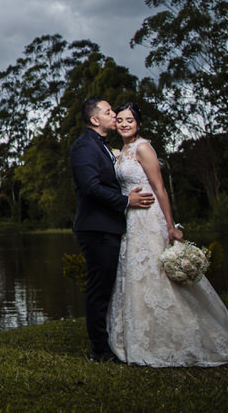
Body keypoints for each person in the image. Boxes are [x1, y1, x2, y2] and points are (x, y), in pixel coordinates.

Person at [107, 102, 228, 366]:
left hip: (150, 217)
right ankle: (140, 335)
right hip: (132, 220)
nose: (125, 124)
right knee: (138, 275)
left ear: (138, 123)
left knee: (160, 273)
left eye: (130, 120)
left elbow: (160, 189)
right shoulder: (122, 151)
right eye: (120, 120)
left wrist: (172, 226)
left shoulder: (143, 148)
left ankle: (186, 335)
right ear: (115, 124)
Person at [70, 97, 154, 362]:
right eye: (108, 112)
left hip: (110, 226)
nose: (114, 116)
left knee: (109, 288)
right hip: (96, 228)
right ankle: (100, 351)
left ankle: (113, 341)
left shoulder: (104, 146)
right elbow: (90, 187)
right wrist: (126, 201)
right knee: (99, 290)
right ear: (95, 120)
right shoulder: (84, 146)